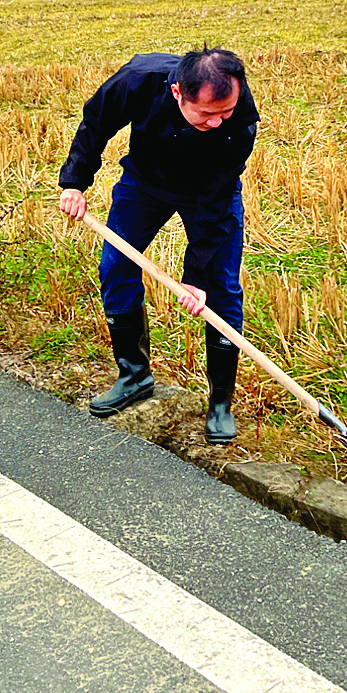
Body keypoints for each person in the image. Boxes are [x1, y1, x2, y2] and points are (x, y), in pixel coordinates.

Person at [57, 49, 259, 442]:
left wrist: (196, 276)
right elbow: (96, 122)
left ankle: (220, 401)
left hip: (209, 192)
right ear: (178, 92)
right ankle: (134, 374)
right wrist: (74, 182)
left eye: (226, 111)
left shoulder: (240, 119)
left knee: (221, 287)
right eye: (206, 114)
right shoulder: (139, 79)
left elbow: (216, 204)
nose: (218, 121)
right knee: (115, 267)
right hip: (145, 183)